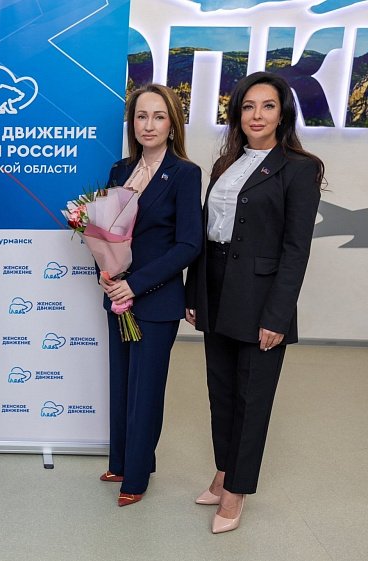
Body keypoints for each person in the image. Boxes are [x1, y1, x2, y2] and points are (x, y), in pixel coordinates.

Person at [185, 71, 324, 534]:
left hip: (261, 297)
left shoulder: (300, 168)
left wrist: (277, 316)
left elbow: (296, 250)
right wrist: (194, 292)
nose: (257, 115)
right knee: (220, 391)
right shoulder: (226, 164)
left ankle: (237, 491)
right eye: (248, 106)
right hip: (216, 286)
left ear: (282, 114)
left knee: (252, 397)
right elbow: (206, 234)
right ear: (237, 114)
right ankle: (224, 472)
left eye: (267, 106)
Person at [98, 84, 202, 507]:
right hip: (117, 295)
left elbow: (188, 244)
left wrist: (136, 284)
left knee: (146, 390)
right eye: (141, 116)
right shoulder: (120, 170)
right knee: (121, 384)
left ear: (172, 124)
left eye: (159, 116)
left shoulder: (185, 174)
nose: (149, 125)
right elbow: (104, 231)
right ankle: (121, 461)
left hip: (156, 301)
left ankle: (137, 476)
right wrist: (105, 271)